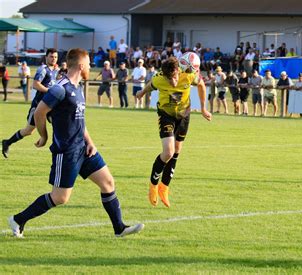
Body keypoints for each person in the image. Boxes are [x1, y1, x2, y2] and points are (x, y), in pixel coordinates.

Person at [7, 48, 144, 238]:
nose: (90, 67)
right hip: (67, 151)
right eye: (88, 64)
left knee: (108, 182)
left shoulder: (78, 88)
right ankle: (18, 219)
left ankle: (119, 228)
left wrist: (90, 142)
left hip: (84, 148)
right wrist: (44, 136)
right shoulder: (59, 88)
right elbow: (39, 112)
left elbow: (79, 120)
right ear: (81, 66)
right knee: (60, 197)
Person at [136, 57, 212, 208]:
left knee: (176, 151)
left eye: (175, 77)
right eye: (169, 80)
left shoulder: (189, 74)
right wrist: (142, 93)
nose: (173, 82)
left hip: (184, 115)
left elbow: (201, 84)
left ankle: (164, 188)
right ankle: (153, 186)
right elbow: (150, 85)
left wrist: (203, 108)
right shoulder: (159, 78)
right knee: (168, 152)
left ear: (179, 70)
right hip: (166, 115)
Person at [2, 48, 59, 158]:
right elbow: (36, 84)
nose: (53, 59)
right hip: (38, 106)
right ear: (46, 57)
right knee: (28, 131)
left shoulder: (55, 71)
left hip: (50, 106)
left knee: (57, 121)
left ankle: (58, 148)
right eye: (51, 56)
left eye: (55, 57)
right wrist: (50, 91)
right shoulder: (43, 69)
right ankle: (7, 142)